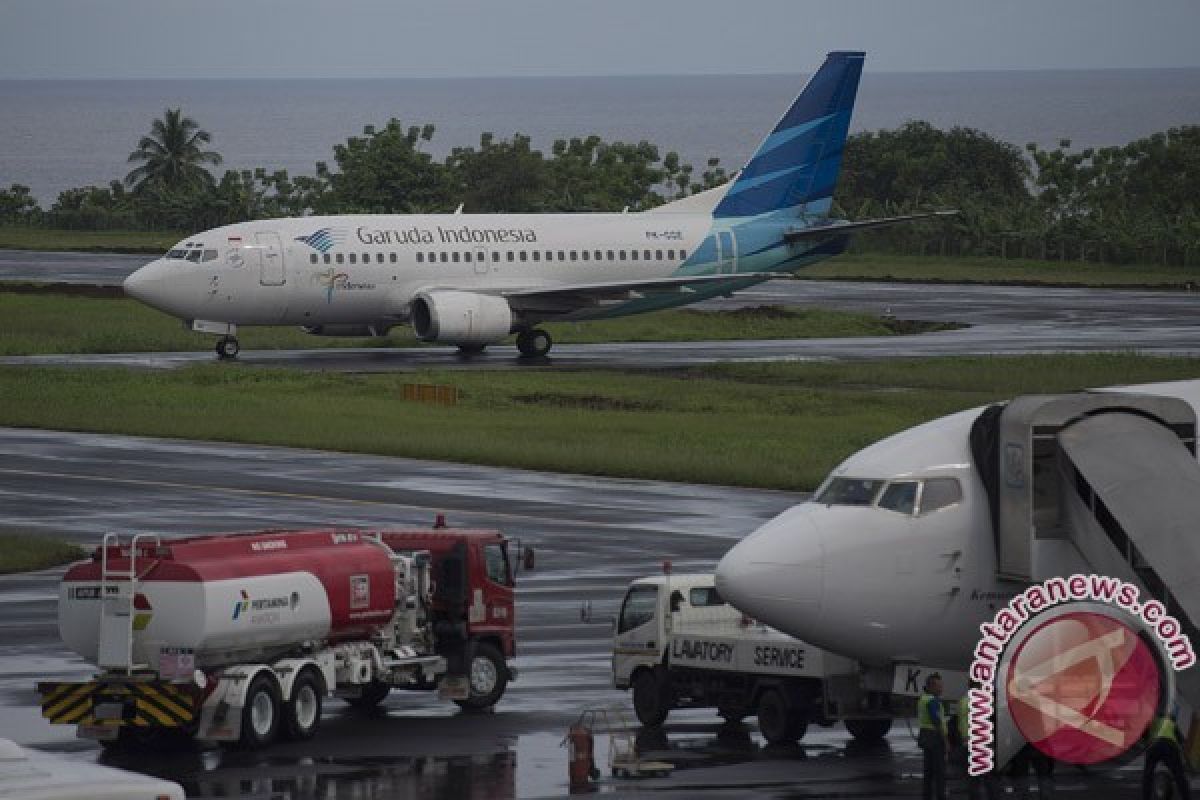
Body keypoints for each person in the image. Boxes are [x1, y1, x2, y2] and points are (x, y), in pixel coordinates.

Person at [1143, 710, 1190, 800]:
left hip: (1154, 747)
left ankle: (1146, 797)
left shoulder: (1152, 722)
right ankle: (1186, 797)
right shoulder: (1171, 723)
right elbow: (1182, 742)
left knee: (1148, 774)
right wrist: (1184, 758)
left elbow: (1143, 737)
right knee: (1179, 775)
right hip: (1170, 747)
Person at [918, 673, 948, 800]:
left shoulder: (923, 699)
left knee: (928, 772)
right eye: (938, 686)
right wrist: (946, 741)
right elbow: (936, 721)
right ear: (930, 687)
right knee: (940, 772)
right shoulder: (932, 701)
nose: (941, 689)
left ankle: (927, 796)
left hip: (925, 736)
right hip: (935, 737)